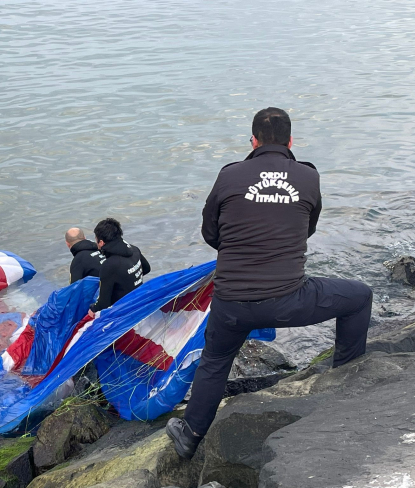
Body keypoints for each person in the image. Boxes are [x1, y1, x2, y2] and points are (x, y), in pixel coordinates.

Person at [166, 107, 373, 459]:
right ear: (291, 141)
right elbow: (307, 228)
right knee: (360, 297)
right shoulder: (308, 176)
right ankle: (342, 389)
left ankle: (191, 435)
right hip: (290, 299)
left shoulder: (229, 175)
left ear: (253, 140)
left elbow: (210, 233)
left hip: (231, 302)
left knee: (215, 360)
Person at [88, 218, 151, 316]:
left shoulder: (109, 265)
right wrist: (130, 280)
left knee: (90, 312)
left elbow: (103, 304)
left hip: (125, 310)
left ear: (101, 242)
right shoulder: (134, 249)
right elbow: (147, 269)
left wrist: (93, 309)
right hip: (139, 299)